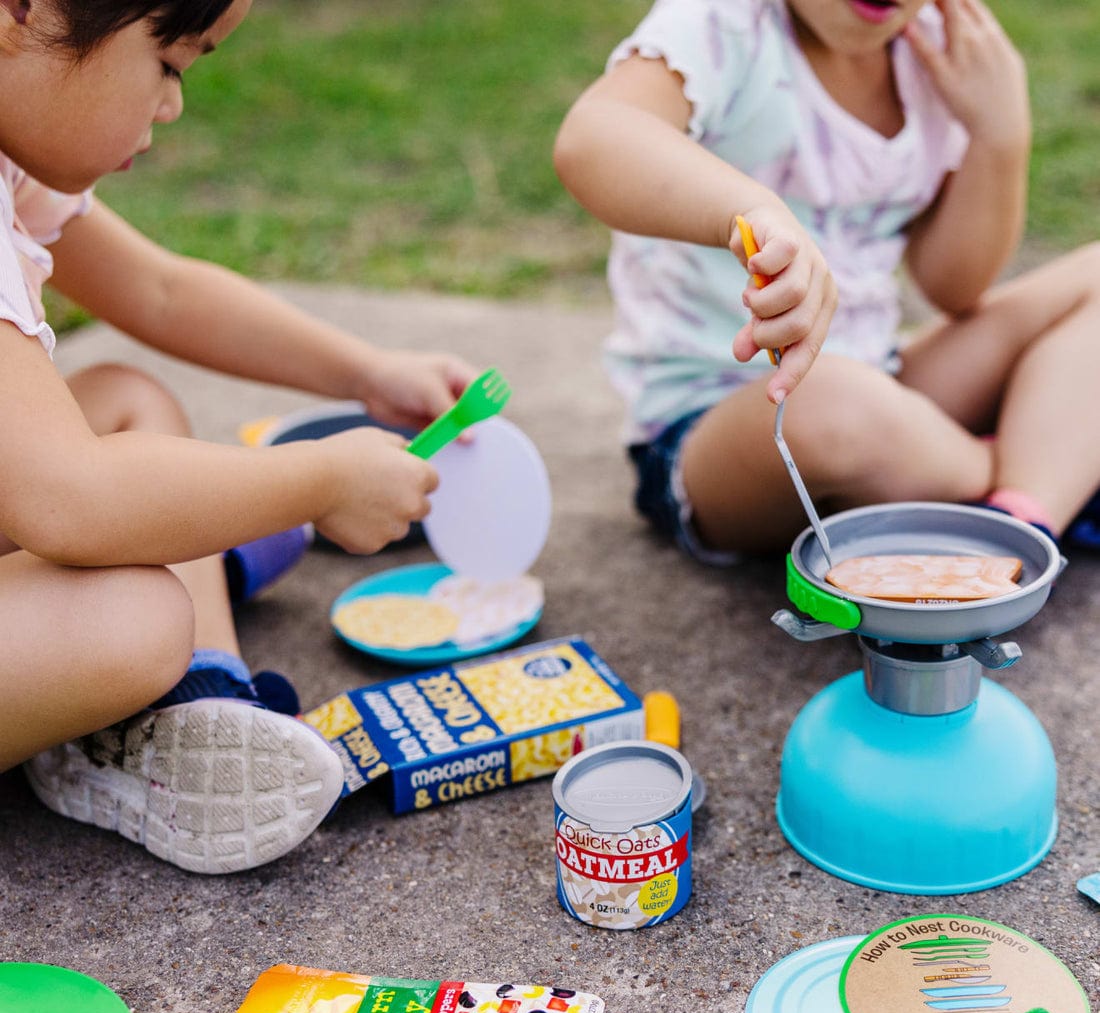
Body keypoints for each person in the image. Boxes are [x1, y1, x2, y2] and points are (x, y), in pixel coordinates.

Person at [0, 0, 478, 873]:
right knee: (133, 618)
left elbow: (160, 292)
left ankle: (196, 700)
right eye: (171, 61)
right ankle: (131, 703)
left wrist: (367, 374)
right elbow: (70, 502)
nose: (173, 103)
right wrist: (318, 481)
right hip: (64, 510)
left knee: (123, 399)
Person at [553, 0, 1100, 564]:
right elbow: (594, 136)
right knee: (838, 407)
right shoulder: (724, 25)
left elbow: (953, 287)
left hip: (884, 383)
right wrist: (747, 210)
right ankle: (1042, 474)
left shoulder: (935, 49)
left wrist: (999, 136)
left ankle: (1023, 509)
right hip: (718, 437)